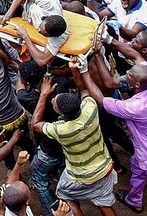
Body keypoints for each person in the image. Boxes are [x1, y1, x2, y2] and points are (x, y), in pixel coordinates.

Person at [77, 35, 147, 216]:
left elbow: (100, 98)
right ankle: (134, 200)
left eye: (128, 75)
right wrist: (107, 41)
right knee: (136, 166)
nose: (125, 75)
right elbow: (136, 56)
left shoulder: (134, 107)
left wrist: (83, 72)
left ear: (136, 84)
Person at [31, 76, 117, 216]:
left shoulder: (61, 129)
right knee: (103, 201)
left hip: (83, 177)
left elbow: (35, 125)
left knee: (64, 195)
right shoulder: (90, 110)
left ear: (61, 113)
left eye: (55, 103)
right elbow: (84, 90)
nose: (53, 101)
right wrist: (76, 69)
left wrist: (44, 94)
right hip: (105, 168)